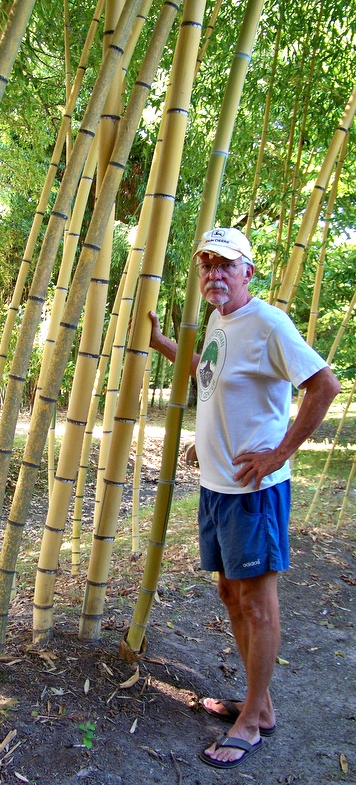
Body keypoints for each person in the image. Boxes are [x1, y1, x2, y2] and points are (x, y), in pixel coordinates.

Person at [148, 227, 341, 770]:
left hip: (253, 493)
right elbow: (207, 376)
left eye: (225, 265)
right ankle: (262, 703)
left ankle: (252, 720)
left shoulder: (269, 323)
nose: (214, 274)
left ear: (248, 272)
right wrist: (164, 345)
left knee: (256, 601)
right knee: (232, 597)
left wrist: (279, 453)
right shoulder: (218, 319)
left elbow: (323, 384)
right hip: (216, 488)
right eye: (206, 265)